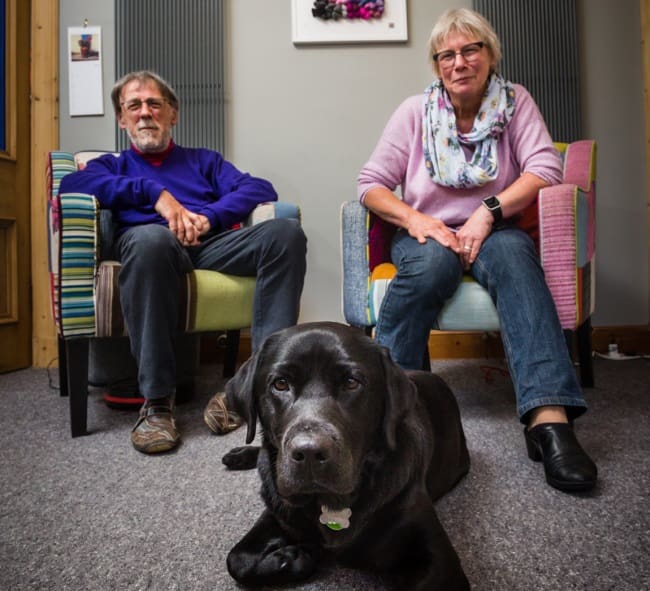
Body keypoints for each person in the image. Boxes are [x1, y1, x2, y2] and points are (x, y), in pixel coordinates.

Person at [357, 9, 597, 492]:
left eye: (470, 50)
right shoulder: (413, 112)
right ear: (436, 64)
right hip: (427, 232)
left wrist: (486, 212)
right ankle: (391, 410)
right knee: (430, 266)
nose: (459, 62)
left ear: (490, 55)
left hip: (495, 228)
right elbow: (371, 186)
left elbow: (544, 168)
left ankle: (549, 422)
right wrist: (419, 220)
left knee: (514, 259)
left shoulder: (516, 102)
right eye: (447, 55)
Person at [60, 70, 307, 454]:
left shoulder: (204, 161)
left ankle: (252, 388)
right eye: (134, 106)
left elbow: (259, 188)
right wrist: (155, 194)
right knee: (151, 238)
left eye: (154, 104)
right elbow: (71, 187)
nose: (145, 113)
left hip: (209, 245)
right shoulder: (112, 166)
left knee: (286, 233)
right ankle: (157, 403)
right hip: (150, 248)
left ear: (172, 114)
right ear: (121, 119)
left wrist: (208, 216)